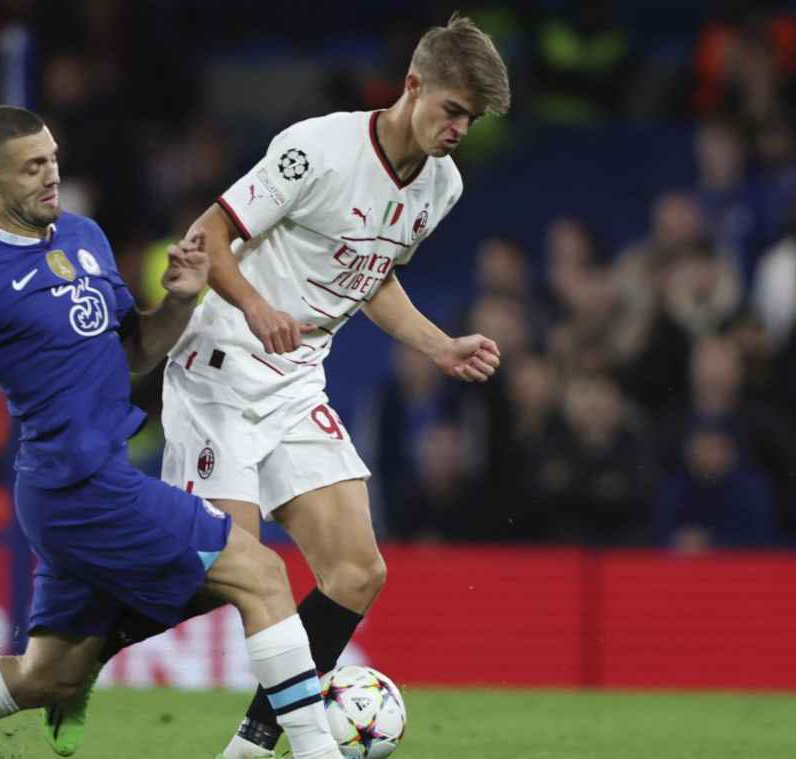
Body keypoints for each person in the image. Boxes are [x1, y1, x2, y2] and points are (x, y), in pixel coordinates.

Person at [0, 105, 343, 759]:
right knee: (261, 573)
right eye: (32, 167)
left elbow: (136, 352)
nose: (51, 175)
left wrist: (180, 299)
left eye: (53, 159)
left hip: (88, 479)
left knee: (48, 676)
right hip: (76, 486)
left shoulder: (84, 236)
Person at [43, 14, 510, 759]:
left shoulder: (441, 186)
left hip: (296, 381)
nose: (459, 129)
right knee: (221, 574)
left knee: (357, 571)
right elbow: (209, 233)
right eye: (453, 109)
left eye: (471, 119)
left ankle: (251, 747)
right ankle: (74, 651)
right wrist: (258, 308)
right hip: (223, 367)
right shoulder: (318, 148)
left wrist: (440, 344)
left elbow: (373, 270)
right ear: (413, 85)